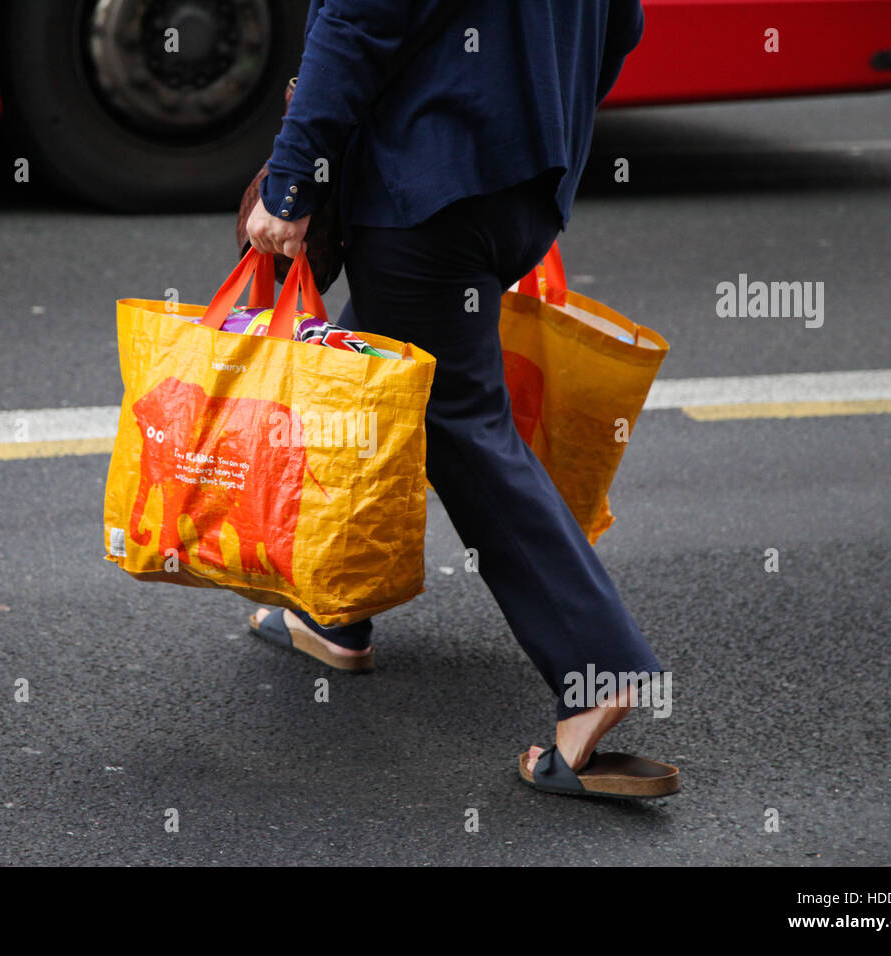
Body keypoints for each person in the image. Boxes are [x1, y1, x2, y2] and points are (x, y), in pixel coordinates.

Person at [244, 0, 678, 800]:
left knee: (457, 422)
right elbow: (624, 26)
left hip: (429, 183)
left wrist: (292, 178)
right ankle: (330, 608)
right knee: (373, 372)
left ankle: (599, 670)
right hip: (521, 184)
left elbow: (355, 19)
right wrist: (542, 127)